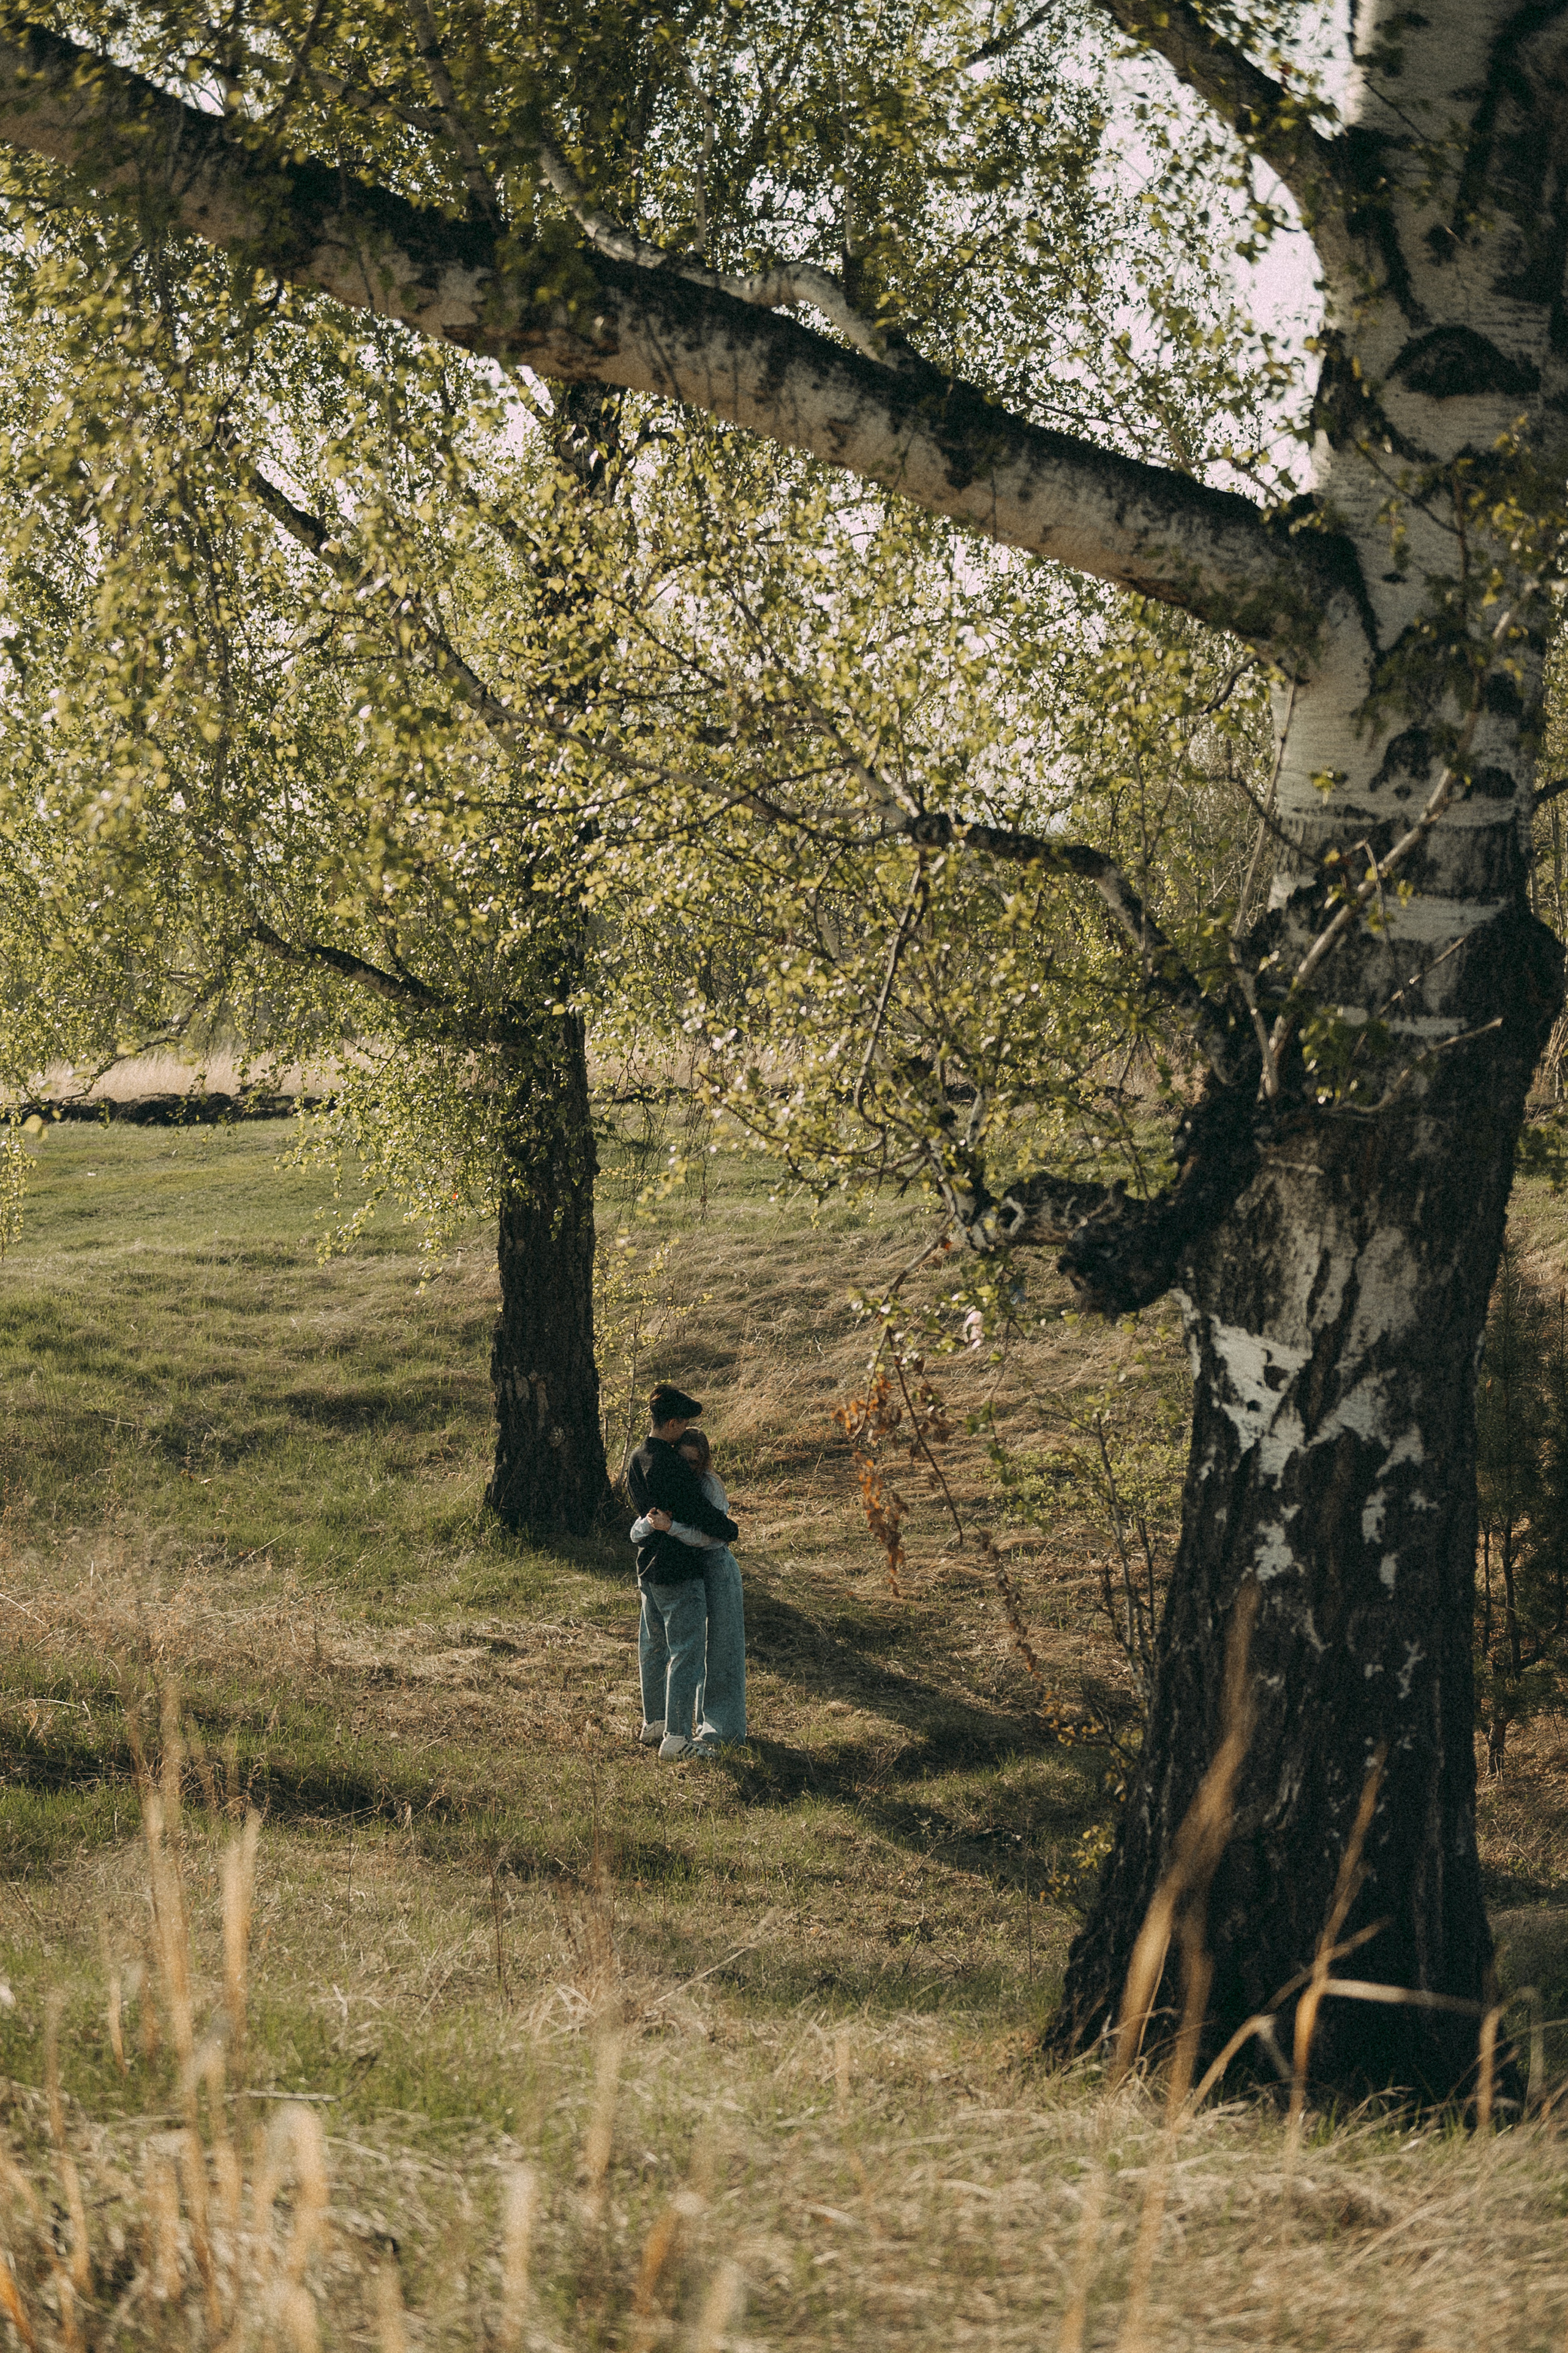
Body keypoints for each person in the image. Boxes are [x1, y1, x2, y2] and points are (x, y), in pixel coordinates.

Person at [625, 1385, 739, 1760]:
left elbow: (647, 1516)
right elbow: (697, 1513)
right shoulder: (669, 1465)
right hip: (678, 1569)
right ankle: (677, 1736)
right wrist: (729, 1529)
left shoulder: (637, 1458)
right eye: (684, 1421)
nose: (686, 1427)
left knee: (653, 1647)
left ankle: (654, 1722)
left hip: (648, 1566)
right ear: (672, 1423)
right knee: (686, 1652)